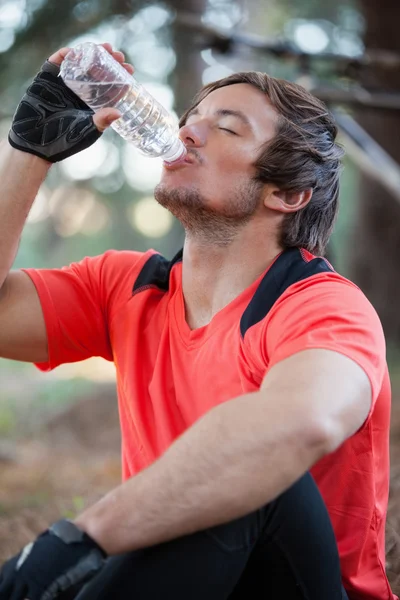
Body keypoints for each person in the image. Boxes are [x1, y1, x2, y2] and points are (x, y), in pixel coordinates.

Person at [0, 42, 396, 600]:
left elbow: (302, 421)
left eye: (226, 128)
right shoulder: (128, 287)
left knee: (248, 474)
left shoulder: (323, 306)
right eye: (190, 120)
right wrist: (28, 151)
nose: (186, 133)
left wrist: (81, 539)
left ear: (287, 192)